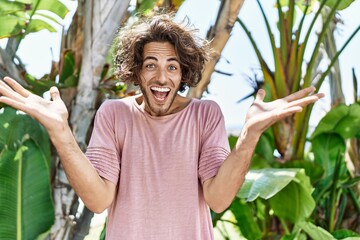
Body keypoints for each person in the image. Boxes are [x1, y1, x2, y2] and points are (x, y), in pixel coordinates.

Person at [0, 13, 324, 240]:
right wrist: (61, 132)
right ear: (136, 72)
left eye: (172, 67)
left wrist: (250, 136)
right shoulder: (114, 114)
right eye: (151, 65)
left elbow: (218, 199)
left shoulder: (205, 115)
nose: (161, 77)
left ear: (183, 74)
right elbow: (98, 200)